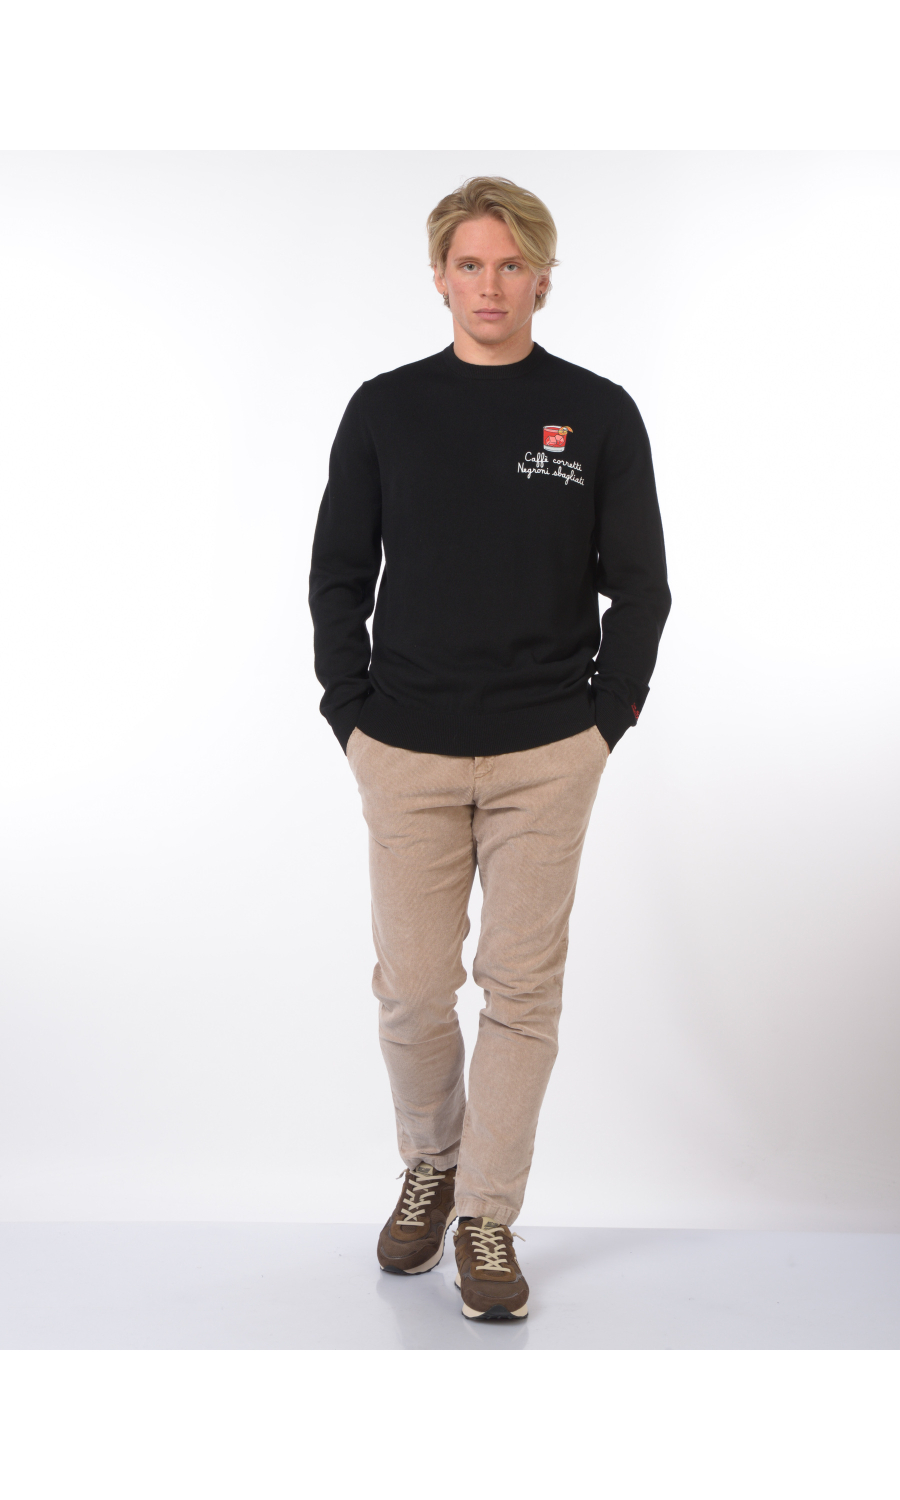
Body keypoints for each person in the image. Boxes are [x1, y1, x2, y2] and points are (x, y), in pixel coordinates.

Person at [308, 176, 671, 1321]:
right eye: (470, 264)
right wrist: (350, 714)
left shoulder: (596, 413)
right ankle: (433, 1162)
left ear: (543, 278)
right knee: (415, 990)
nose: (491, 286)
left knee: (521, 992)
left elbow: (643, 590)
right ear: (439, 278)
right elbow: (336, 576)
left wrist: (604, 724)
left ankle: (488, 1219)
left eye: (512, 264)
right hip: (405, 748)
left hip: (547, 752)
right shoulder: (384, 409)